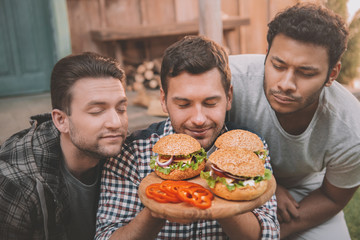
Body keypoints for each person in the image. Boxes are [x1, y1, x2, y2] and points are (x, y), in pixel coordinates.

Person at [95, 35, 279, 240]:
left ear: (228, 97)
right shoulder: (132, 153)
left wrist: (223, 186)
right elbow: (105, 236)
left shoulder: (252, 148)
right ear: (163, 101)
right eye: (183, 105)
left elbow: (269, 235)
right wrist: (159, 207)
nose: (199, 119)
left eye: (210, 103)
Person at [228, 3, 360, 239]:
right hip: (230, 175)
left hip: (303, 188)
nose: (286, 83)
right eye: (278, 65)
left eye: (306, 72)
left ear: (332, 74)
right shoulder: (229, 80)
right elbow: (196, 141)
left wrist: (269, 234)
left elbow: (332, 197)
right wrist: (267, 185)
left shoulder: (351, 128)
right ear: (267, 53)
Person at [0, 52, 128, 239]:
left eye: (121, 109)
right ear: (61, 120)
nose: (116, 123)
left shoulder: (127, 153)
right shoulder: (17, 183)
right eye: (97, 111)